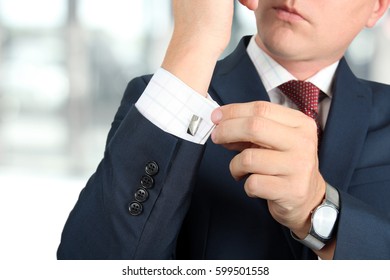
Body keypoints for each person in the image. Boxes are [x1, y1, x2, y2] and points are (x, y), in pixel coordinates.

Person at [57, 0, 390, 260]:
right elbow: (91, 262)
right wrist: (196, 40)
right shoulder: (164, 96)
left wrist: (320, 213)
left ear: (376, 7)